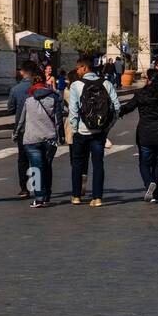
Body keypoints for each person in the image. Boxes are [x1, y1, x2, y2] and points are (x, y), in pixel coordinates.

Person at [67, 57, 120, 206]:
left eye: (78, 68)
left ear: (84, 68)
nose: (77, 71)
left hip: (82, 132)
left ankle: (76, 196)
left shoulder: (76, 85)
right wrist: (107, 126)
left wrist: (75, 129)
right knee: (98, 164)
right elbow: (116, 107)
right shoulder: (106, 83)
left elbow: (73, 111)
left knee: (77, 164)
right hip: (99, 132)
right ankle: (97, 198)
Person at [119, 68, 158, 203]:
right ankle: (155, 195)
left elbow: (128, 107)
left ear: (149, 80)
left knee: (144, 163)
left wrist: (118, 112)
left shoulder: (141, 93)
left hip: (145, 133)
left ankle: (149, 183)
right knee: (157, 163)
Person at [14, 63, 62, 207]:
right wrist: (61, 136)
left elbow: (21, 120)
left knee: (36, 168)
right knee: (47, 166)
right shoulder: (54, 97)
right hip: (50, 138)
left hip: (32, 138)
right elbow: (58, 120)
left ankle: (39, 198)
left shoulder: (28, 100)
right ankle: (46, 196)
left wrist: (16, 134)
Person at [7, 60, 37, 199]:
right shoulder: (39, 88)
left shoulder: (15, 89)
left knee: (22, 159)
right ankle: (37, 188)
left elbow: (10, 109)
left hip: (22, 128)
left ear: (22, 72)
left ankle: (24, 188)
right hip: (38, 128)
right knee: (37, 158)